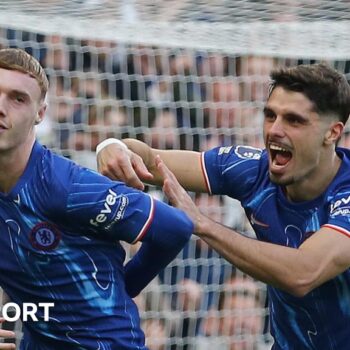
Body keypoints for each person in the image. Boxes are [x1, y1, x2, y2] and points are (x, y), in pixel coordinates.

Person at [96, 63, 350, 349]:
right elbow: (150, 159)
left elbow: (303, 273)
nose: (275, 130)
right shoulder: (252, 170)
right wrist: (112, 145)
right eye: (270, 115)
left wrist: (203, 224)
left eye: (294, 120)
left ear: (332, 133)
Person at [0, 47, 194, 349]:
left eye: (18, 98)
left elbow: (174, 228)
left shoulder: (64, 186)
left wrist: (125, 285)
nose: (2, 107)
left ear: (40, 114)